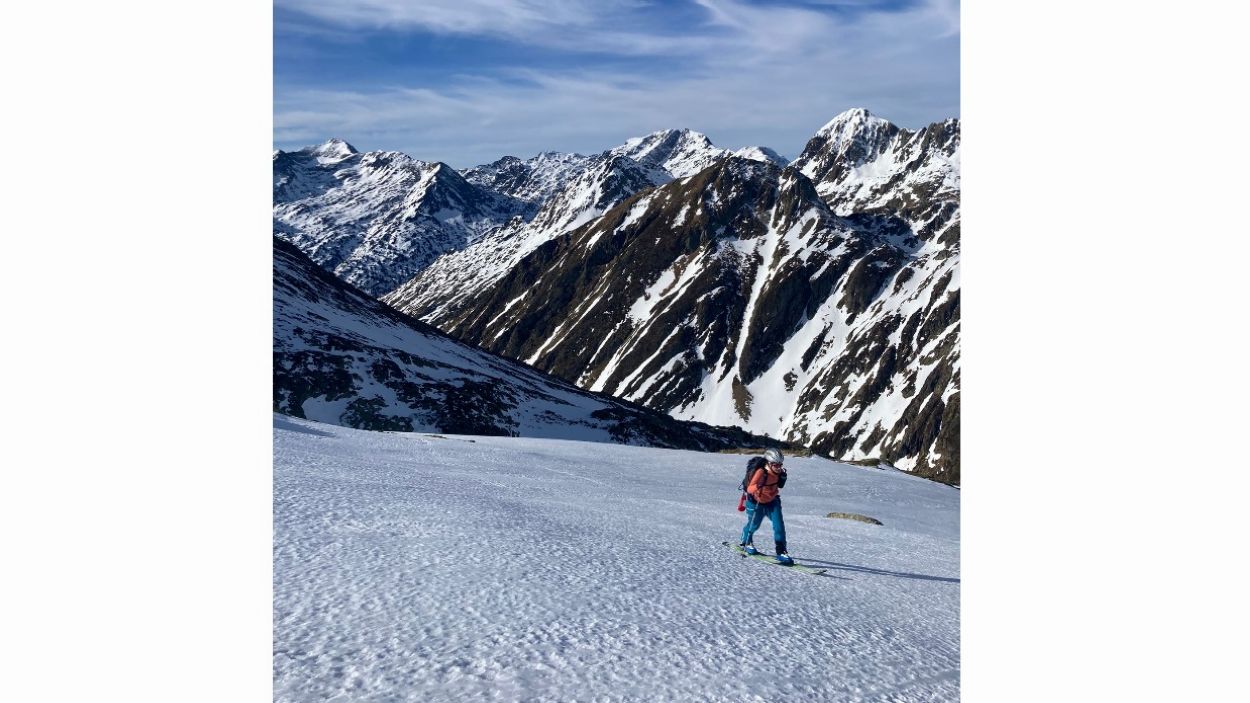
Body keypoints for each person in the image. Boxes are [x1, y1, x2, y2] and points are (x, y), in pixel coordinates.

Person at [738, 448, 792, 565]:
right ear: (768, 463)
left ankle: (781, 551)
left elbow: (779, 485)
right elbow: (750, 489)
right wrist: (758, 485)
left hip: (772, 501)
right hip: (756, 501)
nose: (778, 467)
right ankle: (746, 541)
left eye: (780, 464)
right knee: (754, 524)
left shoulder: (780, 473)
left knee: (779, 526)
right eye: (775, 465)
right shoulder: (761, 472)